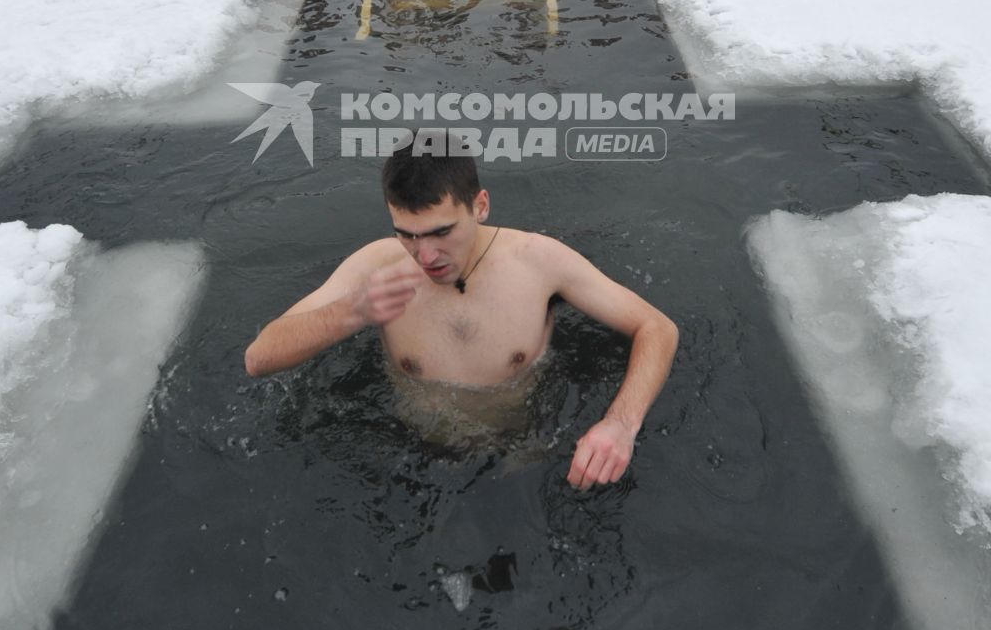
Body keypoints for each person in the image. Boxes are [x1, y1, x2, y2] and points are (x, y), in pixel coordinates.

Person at [244, 142, 679, 490]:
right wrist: (351, 312)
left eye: (441, 232)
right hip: (413, 460)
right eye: (407, 236)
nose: (426, 256)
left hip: (525, 459)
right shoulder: (375, 268)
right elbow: (259, 357)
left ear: (481, 205)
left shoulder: (538, 261)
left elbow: (657, 327)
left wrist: (620, 425)